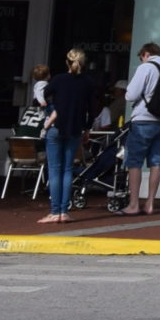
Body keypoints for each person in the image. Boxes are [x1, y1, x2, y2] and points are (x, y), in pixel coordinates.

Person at [41, 50, 100, 222]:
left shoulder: (58, 79)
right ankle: (64, 212)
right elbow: (92, 109)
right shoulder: (88, 82)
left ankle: (54, 211)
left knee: (54, 169)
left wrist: (52, 110)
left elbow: (44, 95)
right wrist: (87, 128)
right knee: (67, 170)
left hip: (56, 127)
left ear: (67, 62)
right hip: (75, 129)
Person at [120, 42, 160, 217]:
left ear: (146, 54)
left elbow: (131, 95)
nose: (141, 59)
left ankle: (134, 204)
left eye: (141, 56)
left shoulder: (146, 68)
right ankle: (150, 202)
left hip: (143, 119)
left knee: (134, 162)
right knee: (155, 162)